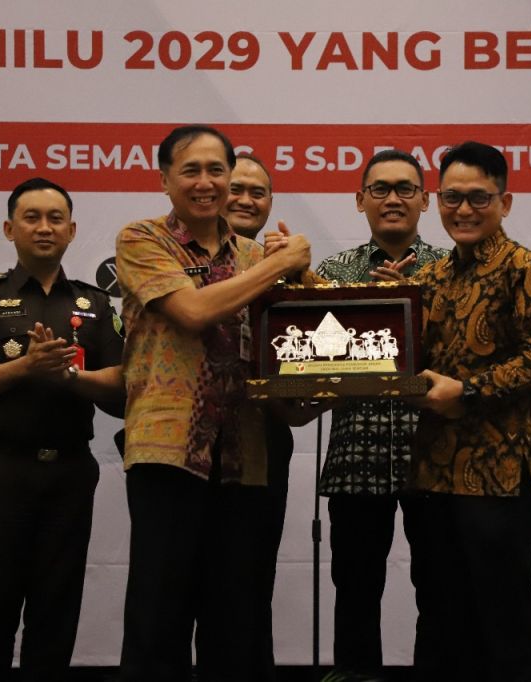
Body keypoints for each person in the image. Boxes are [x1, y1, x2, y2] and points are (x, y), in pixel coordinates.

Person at [115, 125, 310, 682]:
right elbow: (193, 312)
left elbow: (303, 339)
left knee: (238, 619)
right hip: (168, 453)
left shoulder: (255, 253)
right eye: (191, 170)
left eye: (216, 170)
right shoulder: (142, 239)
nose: (206, 182)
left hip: (246, 455)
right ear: (165, 179)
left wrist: (300, 271)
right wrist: (279, 266)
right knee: (159, 616)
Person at [0, 177, 124, 682]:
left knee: (56, 611)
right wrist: (24, 367)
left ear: (72, 230)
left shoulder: (96, 303)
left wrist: (70, 377)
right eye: (32, 217)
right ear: (10, 229)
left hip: (69, 472)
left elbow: (122, 385)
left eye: (55, 218)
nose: (44, 227)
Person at [404, 141, 531, 681]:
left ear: (505, 202)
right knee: (440, 623)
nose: (464, 209)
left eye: (479, 197)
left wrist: (468, 392)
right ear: (437, 201)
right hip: (432, 473)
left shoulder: (528, 269)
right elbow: (403, 356)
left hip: (500, 474)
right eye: (452, 197)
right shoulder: (429, 279)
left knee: (505, 625)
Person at [314, 149, 447, 682]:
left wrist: (415, 305)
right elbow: (313, 360)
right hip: (356, 456)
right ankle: (355, 674)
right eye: (380, 189)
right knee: (354, 585)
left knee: (439, 586)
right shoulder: (332, 273)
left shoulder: (453, 270)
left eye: (405, 188)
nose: (393, 199)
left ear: (425, 201)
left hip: (436, 454)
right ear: (359, 200)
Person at [219, 152, 296, 677]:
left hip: (264, 439)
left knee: (251, 586)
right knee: (185, 588)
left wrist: (297, 273)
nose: (246, 200)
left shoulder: (285, 266)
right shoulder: (173, 258)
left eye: (258, 192)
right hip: (189, 446)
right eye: (236, 188)